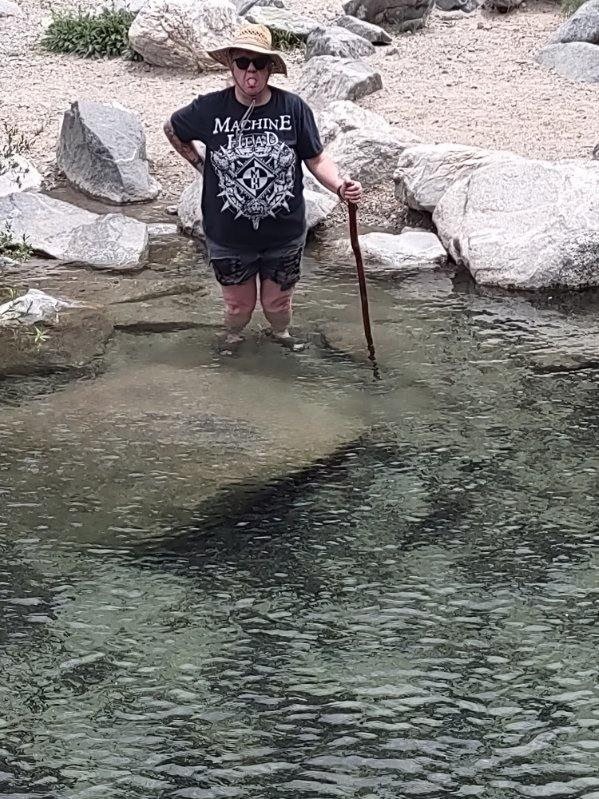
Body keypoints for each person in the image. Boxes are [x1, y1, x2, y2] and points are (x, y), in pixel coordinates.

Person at [164, 23, 363, 353]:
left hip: (283, 233)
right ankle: (232, 339)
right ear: (231, 65)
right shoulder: (209, 108)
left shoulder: (293, 108)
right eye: (243, 62)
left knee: (278, 303)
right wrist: (200, 165)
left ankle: (280, 336)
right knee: (237, 307)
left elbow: (316, 159)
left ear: (270, 67)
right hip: (228, 235)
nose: (251, 71)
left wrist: (340, 186)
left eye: (259, 63)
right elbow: (173, 128)